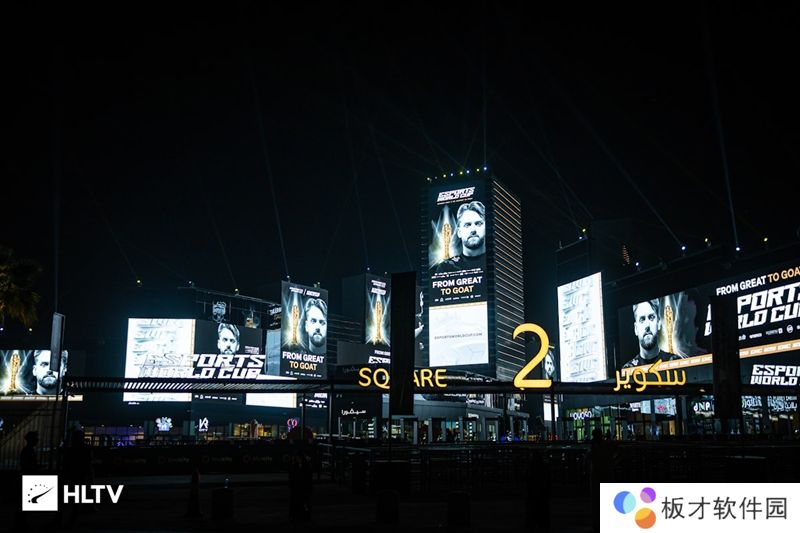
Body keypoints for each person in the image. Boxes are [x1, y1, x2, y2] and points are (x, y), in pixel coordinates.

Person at [621, 299, 683, 369]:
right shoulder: (627, 370)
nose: (647, 325)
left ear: (658, 323)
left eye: (651, 317)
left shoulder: (676, 363)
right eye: (642, 319)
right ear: (636, 328)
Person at [435, 201, 486, 273]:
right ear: (459, 232)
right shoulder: (446, 268)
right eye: (467, 225)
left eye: (478, 224)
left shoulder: (496, 260)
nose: (473, 230)